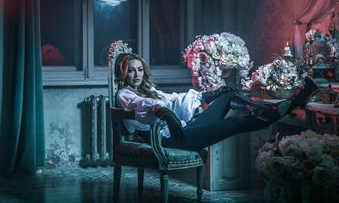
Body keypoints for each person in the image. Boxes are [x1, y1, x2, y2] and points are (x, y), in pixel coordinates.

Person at [114, 53, 319, 151]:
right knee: (232, 123)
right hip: (168, 139)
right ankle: (288, 104)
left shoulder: (148, 90)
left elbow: (174, 100)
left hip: (181, 130)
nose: (136, 74)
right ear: (123, 73)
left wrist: (209, 95)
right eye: (131, 70)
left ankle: (268, 110)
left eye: (139, 69)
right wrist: (166, 114)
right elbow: (145, 108)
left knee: (227, 95)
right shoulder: (125, 94)